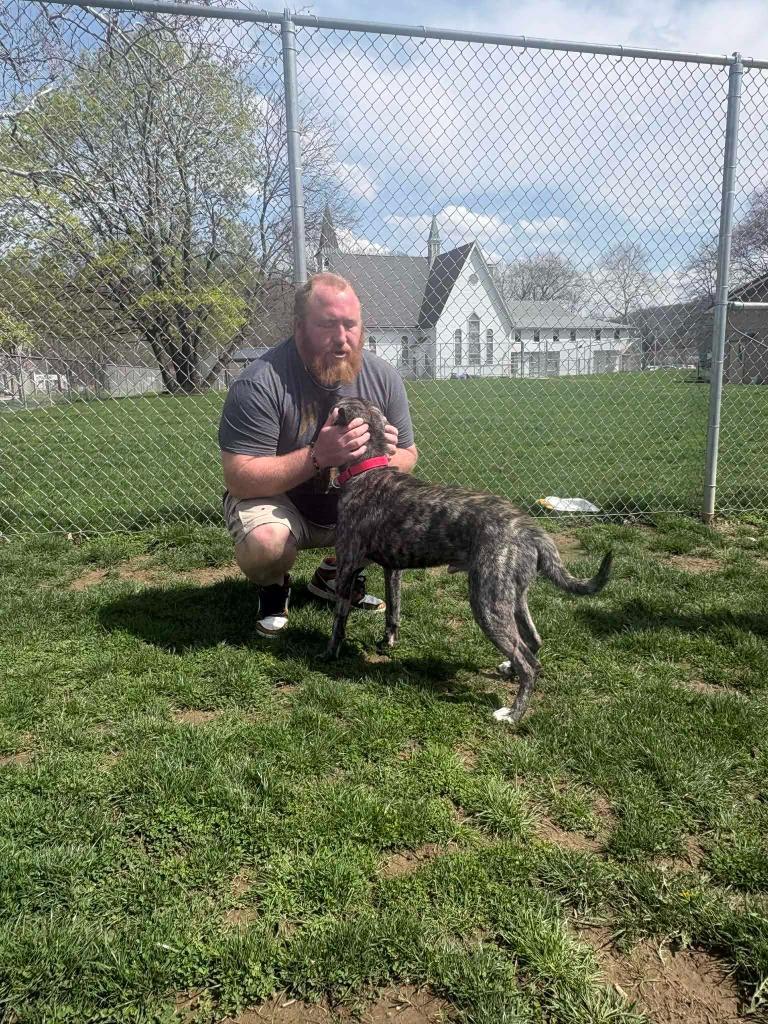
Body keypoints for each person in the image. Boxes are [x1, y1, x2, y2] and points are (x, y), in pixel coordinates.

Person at [218, 272, 419, 637]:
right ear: (300, 328)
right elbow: (239, 478)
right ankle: (274, 586)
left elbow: (408, 453)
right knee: (266, 545)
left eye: (350, 325)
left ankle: (336, 574)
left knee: (404, 515)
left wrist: (381, 457)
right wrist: (318, 456)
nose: (342, 339)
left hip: (347, 507)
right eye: (327, 325)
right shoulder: (259, 383)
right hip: (282, 504)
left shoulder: (383, 376)